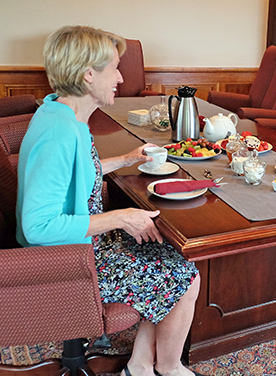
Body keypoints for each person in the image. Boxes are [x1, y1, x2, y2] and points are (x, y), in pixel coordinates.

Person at [16, 25, 205, 376]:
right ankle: (169, 366)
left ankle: (139, 365)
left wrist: (126, 159)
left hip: (84, 242)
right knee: (185, 276)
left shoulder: (62, 112)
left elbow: (74, 174)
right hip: (66, 262)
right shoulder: (59, 134)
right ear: (89, 74)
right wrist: (121, 218)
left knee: (168, 254)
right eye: (115, 67)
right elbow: (38, 225)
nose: (120, 77)